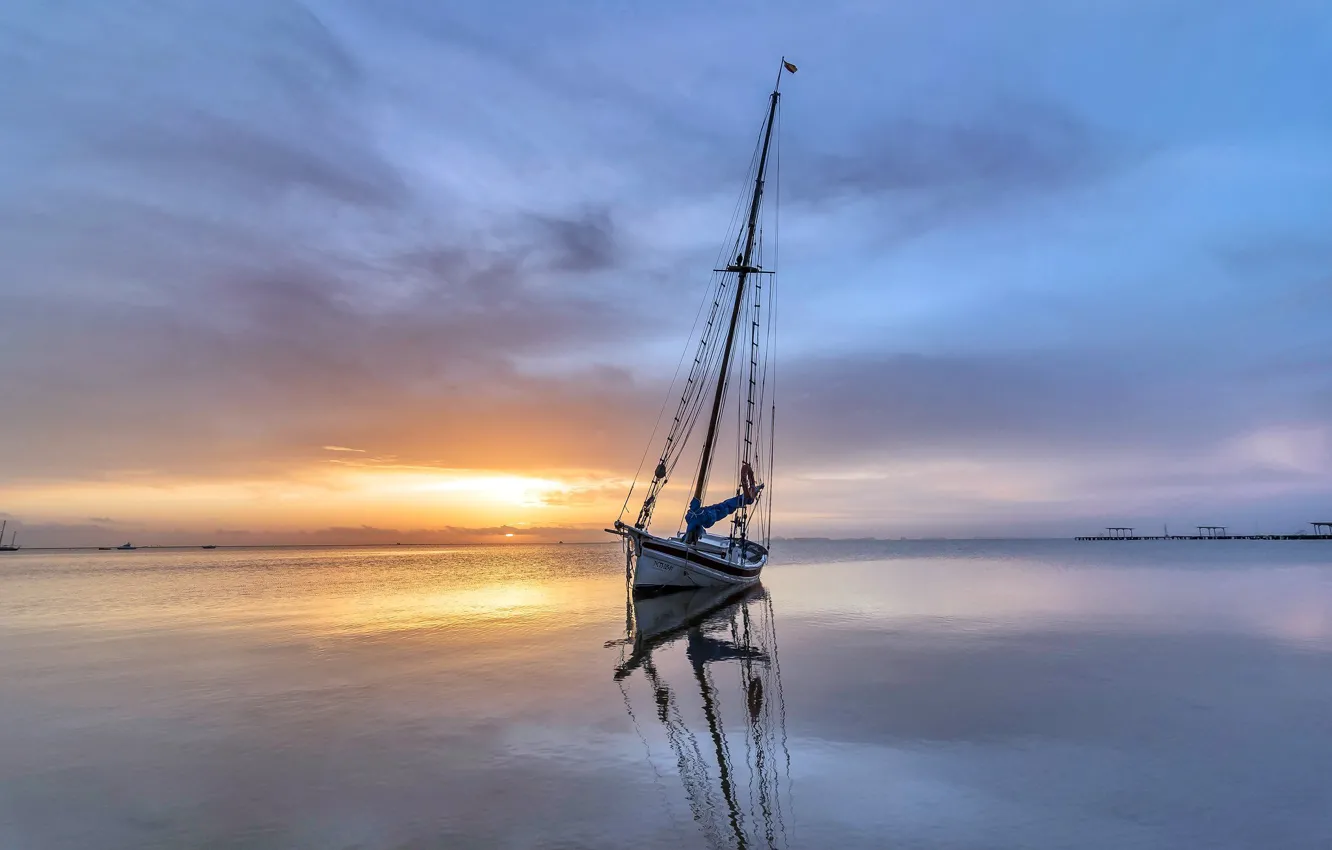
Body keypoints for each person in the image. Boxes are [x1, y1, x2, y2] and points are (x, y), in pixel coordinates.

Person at [685, 462, 764, 539]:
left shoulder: (695, 515)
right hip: (707, 514)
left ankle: (691, 536)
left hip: (704, 515)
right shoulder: (699, 514)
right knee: (723, 506)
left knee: (721, 507)